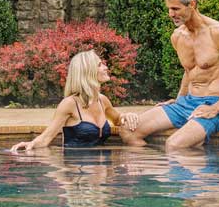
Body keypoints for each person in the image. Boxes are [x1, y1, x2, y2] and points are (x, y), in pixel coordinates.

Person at [122, 0, 219, 150]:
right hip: (185, 103)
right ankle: (153, 171)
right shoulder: (177, 36)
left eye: (176, 9)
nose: (171, 14)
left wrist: (215, 108)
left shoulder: (218, 33)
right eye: (169, 9)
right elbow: (189, 71)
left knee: (173, 145)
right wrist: (178, 99)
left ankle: (201, 173)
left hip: (211, 104)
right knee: (128, 131)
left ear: (192, 4)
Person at [9, 50, 139, 152]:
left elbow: (117, 119)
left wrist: (126, 116)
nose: (106, 67)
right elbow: (47, 137)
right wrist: (30, 144)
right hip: (77, 174)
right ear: (87, 71)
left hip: (101, 175)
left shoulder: (102, 100)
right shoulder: (70, 104)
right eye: (100, 65)